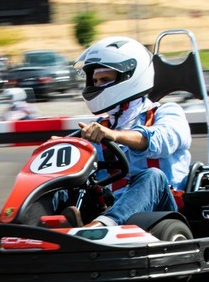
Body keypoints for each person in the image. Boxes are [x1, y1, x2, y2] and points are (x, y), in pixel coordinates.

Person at [64, 36, 192, 228]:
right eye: (95, 80)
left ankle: (101, 228)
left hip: (162, 212)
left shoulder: (167, 113)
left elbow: (161, 140)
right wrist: (61, 147)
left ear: (130, 77)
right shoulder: (101, 125)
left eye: (105, 80)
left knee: (153, 176)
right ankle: (30, 223)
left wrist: (114, 135)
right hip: (110, 205)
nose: (97, 85)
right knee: (64, 181)